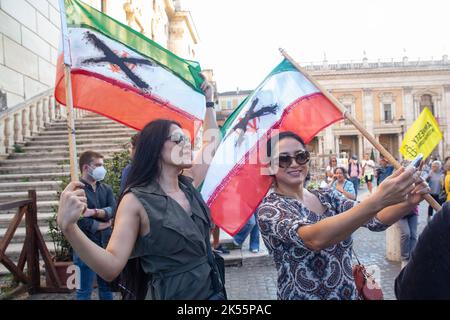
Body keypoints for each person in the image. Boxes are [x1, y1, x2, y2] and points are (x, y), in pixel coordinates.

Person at [56, 78, 226, 300]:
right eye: (177, 138)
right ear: (154, 148)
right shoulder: (135, 201)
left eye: (186, 138)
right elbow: (111, 266)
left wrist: (209, 102)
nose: (186, 143)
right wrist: (69, 228)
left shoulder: (188, 183)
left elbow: (210, 144)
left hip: (213, 292)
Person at [256, 131, 429, 300]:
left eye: (301, 156)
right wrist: (377, 199)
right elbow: (314, 239)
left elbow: (375, 220)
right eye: (283, 159)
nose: (294, 164)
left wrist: (409, 202)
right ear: (270, 166)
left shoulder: (326, 195)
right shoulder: (270, 209)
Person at [75, 150, 117, 300]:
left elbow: (113, 210)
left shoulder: (106, 189)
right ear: (86, 168)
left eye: (102, 165)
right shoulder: (77, 190)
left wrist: (93, 212)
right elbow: (80, 219)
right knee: (83, 290)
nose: (102, 169)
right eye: (98, 165)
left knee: (107, 289)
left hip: (106, 245)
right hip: (83, 247)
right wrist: (103, 223)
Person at [395, 202, 450, 299]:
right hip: (402, 214)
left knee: (412, 235)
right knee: (406, 234)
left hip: (413, 213)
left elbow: (410, 289)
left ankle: (408, 257)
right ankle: (405, 258)